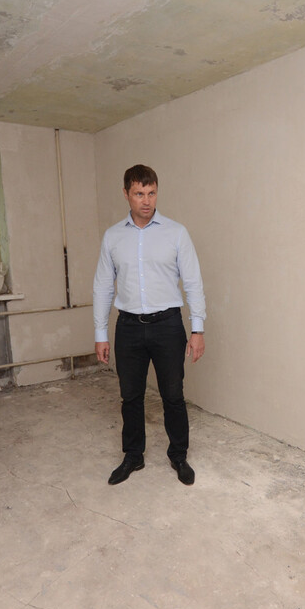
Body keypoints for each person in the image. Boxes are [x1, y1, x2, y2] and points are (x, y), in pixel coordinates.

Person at [93, 164, 206, 486]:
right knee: (131, 396)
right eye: (139, 193)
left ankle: (179, 455)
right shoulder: (113, 237)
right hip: (128, 327)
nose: (146, 200)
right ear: (126, 194)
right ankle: (133, 456)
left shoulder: (176, 233)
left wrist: (197, 330)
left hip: (167, 325)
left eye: (152, 193)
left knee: (173, 395)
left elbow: (193, 282)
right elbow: (103, 286)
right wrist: (100, 334)